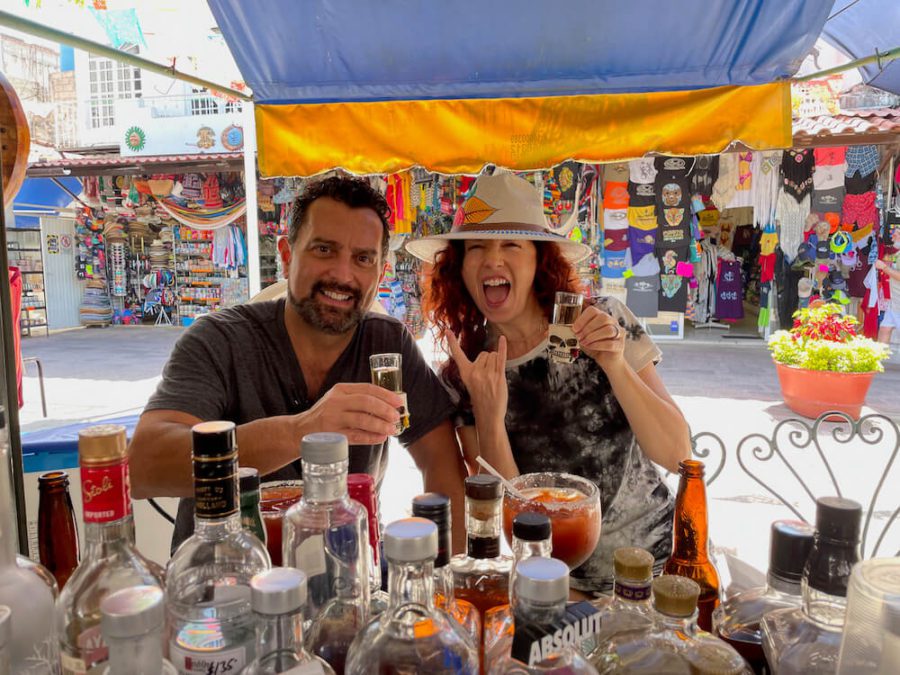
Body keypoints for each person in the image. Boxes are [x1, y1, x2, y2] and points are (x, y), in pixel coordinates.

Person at [130, 175, 468, 551]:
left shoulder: (387, 344)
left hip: (346, 587)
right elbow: (145, 466)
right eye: (324, 250)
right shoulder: (219, 341)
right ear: (287, 255)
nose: (342, 275)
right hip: (223, 591)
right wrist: (304, 430)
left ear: (381, 272)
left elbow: (440, 461)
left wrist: (442, 574)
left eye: (362, 258)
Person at [408, 172, 691, 594]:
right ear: (459, 267)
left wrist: (615, 364)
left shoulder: (603, 320)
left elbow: (678, 453)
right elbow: (513, 520)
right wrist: (488, 416)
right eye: (477, 248)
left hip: (662, 568)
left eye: (511, 245)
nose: (492, 260)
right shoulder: (466, 373)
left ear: (540, 259)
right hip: (556, 587)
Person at [875, 222, 900, 345]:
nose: (893, 235)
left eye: (898, 233)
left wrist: (884, 268)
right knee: (885, 329)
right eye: (894, 232)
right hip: (895, 302)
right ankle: (879, 361)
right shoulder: (897, 253)